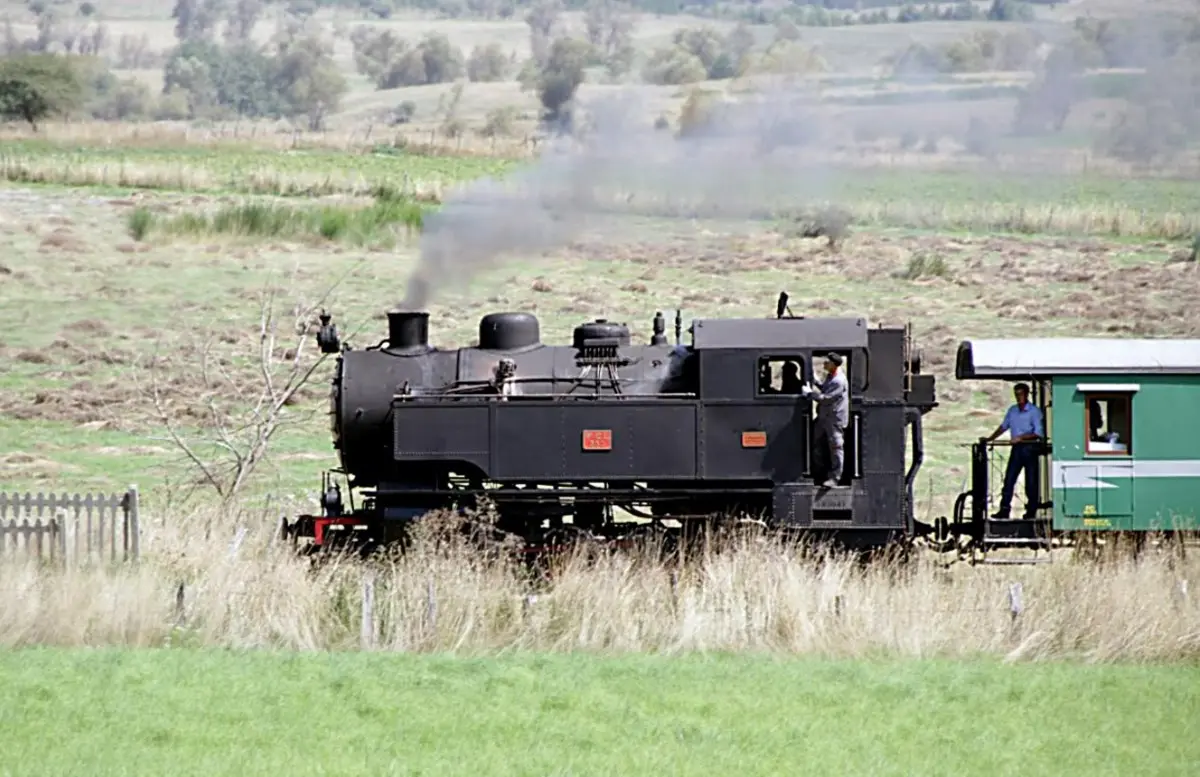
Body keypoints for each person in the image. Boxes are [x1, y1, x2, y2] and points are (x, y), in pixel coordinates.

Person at [984, 382, 1044, 519]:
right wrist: (990, 438)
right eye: (1016, 395)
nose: (1018, 398)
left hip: (1030, 448)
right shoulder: (1012, 411)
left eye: (1021, 394)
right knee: (1009, 479)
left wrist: (1021, 438)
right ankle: (1004, 509)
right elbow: (1004, 426)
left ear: (1026, 394)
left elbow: (1038, 433)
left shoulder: (1034, 411)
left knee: (1031, 482)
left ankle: (1031, 511)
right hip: (1017, 449)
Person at [803, 353, 849, 488]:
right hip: (824, 417)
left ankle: (835, 478)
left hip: (834, 420)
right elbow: (825, 388)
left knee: (836, 447)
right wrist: (815, 381)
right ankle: (819, 472)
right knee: (815, 442)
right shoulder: (831, 376)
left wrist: (810, 394)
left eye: (827, 362)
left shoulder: (839, 381)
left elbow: (826, 398)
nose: (824, 364)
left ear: (834, 365)